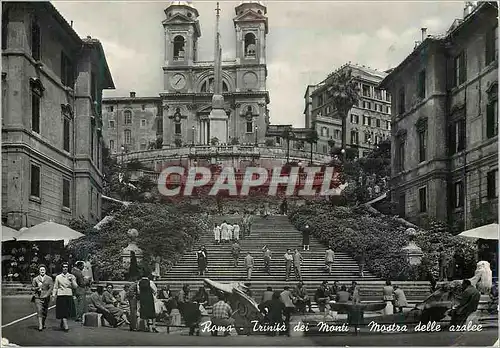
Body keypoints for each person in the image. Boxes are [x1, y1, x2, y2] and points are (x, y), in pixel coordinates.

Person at [52, 262, 78, 331]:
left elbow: (75, 286)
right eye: (64, 267)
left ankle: (62, 322)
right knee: (63, 310)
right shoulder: (58, 277)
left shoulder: (72, 276)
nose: (65, 268)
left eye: (66, 267)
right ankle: (66, 326)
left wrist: (71, 280)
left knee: (67, 311)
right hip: (61, 295)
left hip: (69, 294)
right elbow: (55, 287)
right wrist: (53, 295)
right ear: (62, 268)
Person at [31, 265, 53, 331]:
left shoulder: (49, 278)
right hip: (38, 297)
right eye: (41, 270)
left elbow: (51, 288)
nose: (42, 271)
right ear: (39, 271)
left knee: (45, 311)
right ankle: (40, 325)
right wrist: (38, 288)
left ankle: (43, 323)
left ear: (45, 271)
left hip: (46, 297)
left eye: (43, 270)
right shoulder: (35, 279)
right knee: (39, 310)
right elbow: (32, 288)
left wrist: (47, 294)